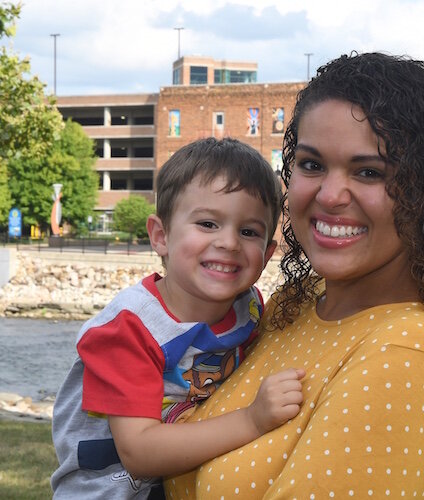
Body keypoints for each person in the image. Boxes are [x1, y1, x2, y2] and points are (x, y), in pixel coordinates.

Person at [164, 52, 424, 499]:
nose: (330, 196)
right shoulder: (290, 309)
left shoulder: (410, 352)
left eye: (368, 172)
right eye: (312, 165)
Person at [51, 138, 305, 498]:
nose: (229, 242)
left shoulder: (248, 308)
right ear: (161, 236)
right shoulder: (129, 329)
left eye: (248, 231)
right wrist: (252, 419)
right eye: (207, 223)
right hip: (112, 488)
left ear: (266, 254)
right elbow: (139, 452)